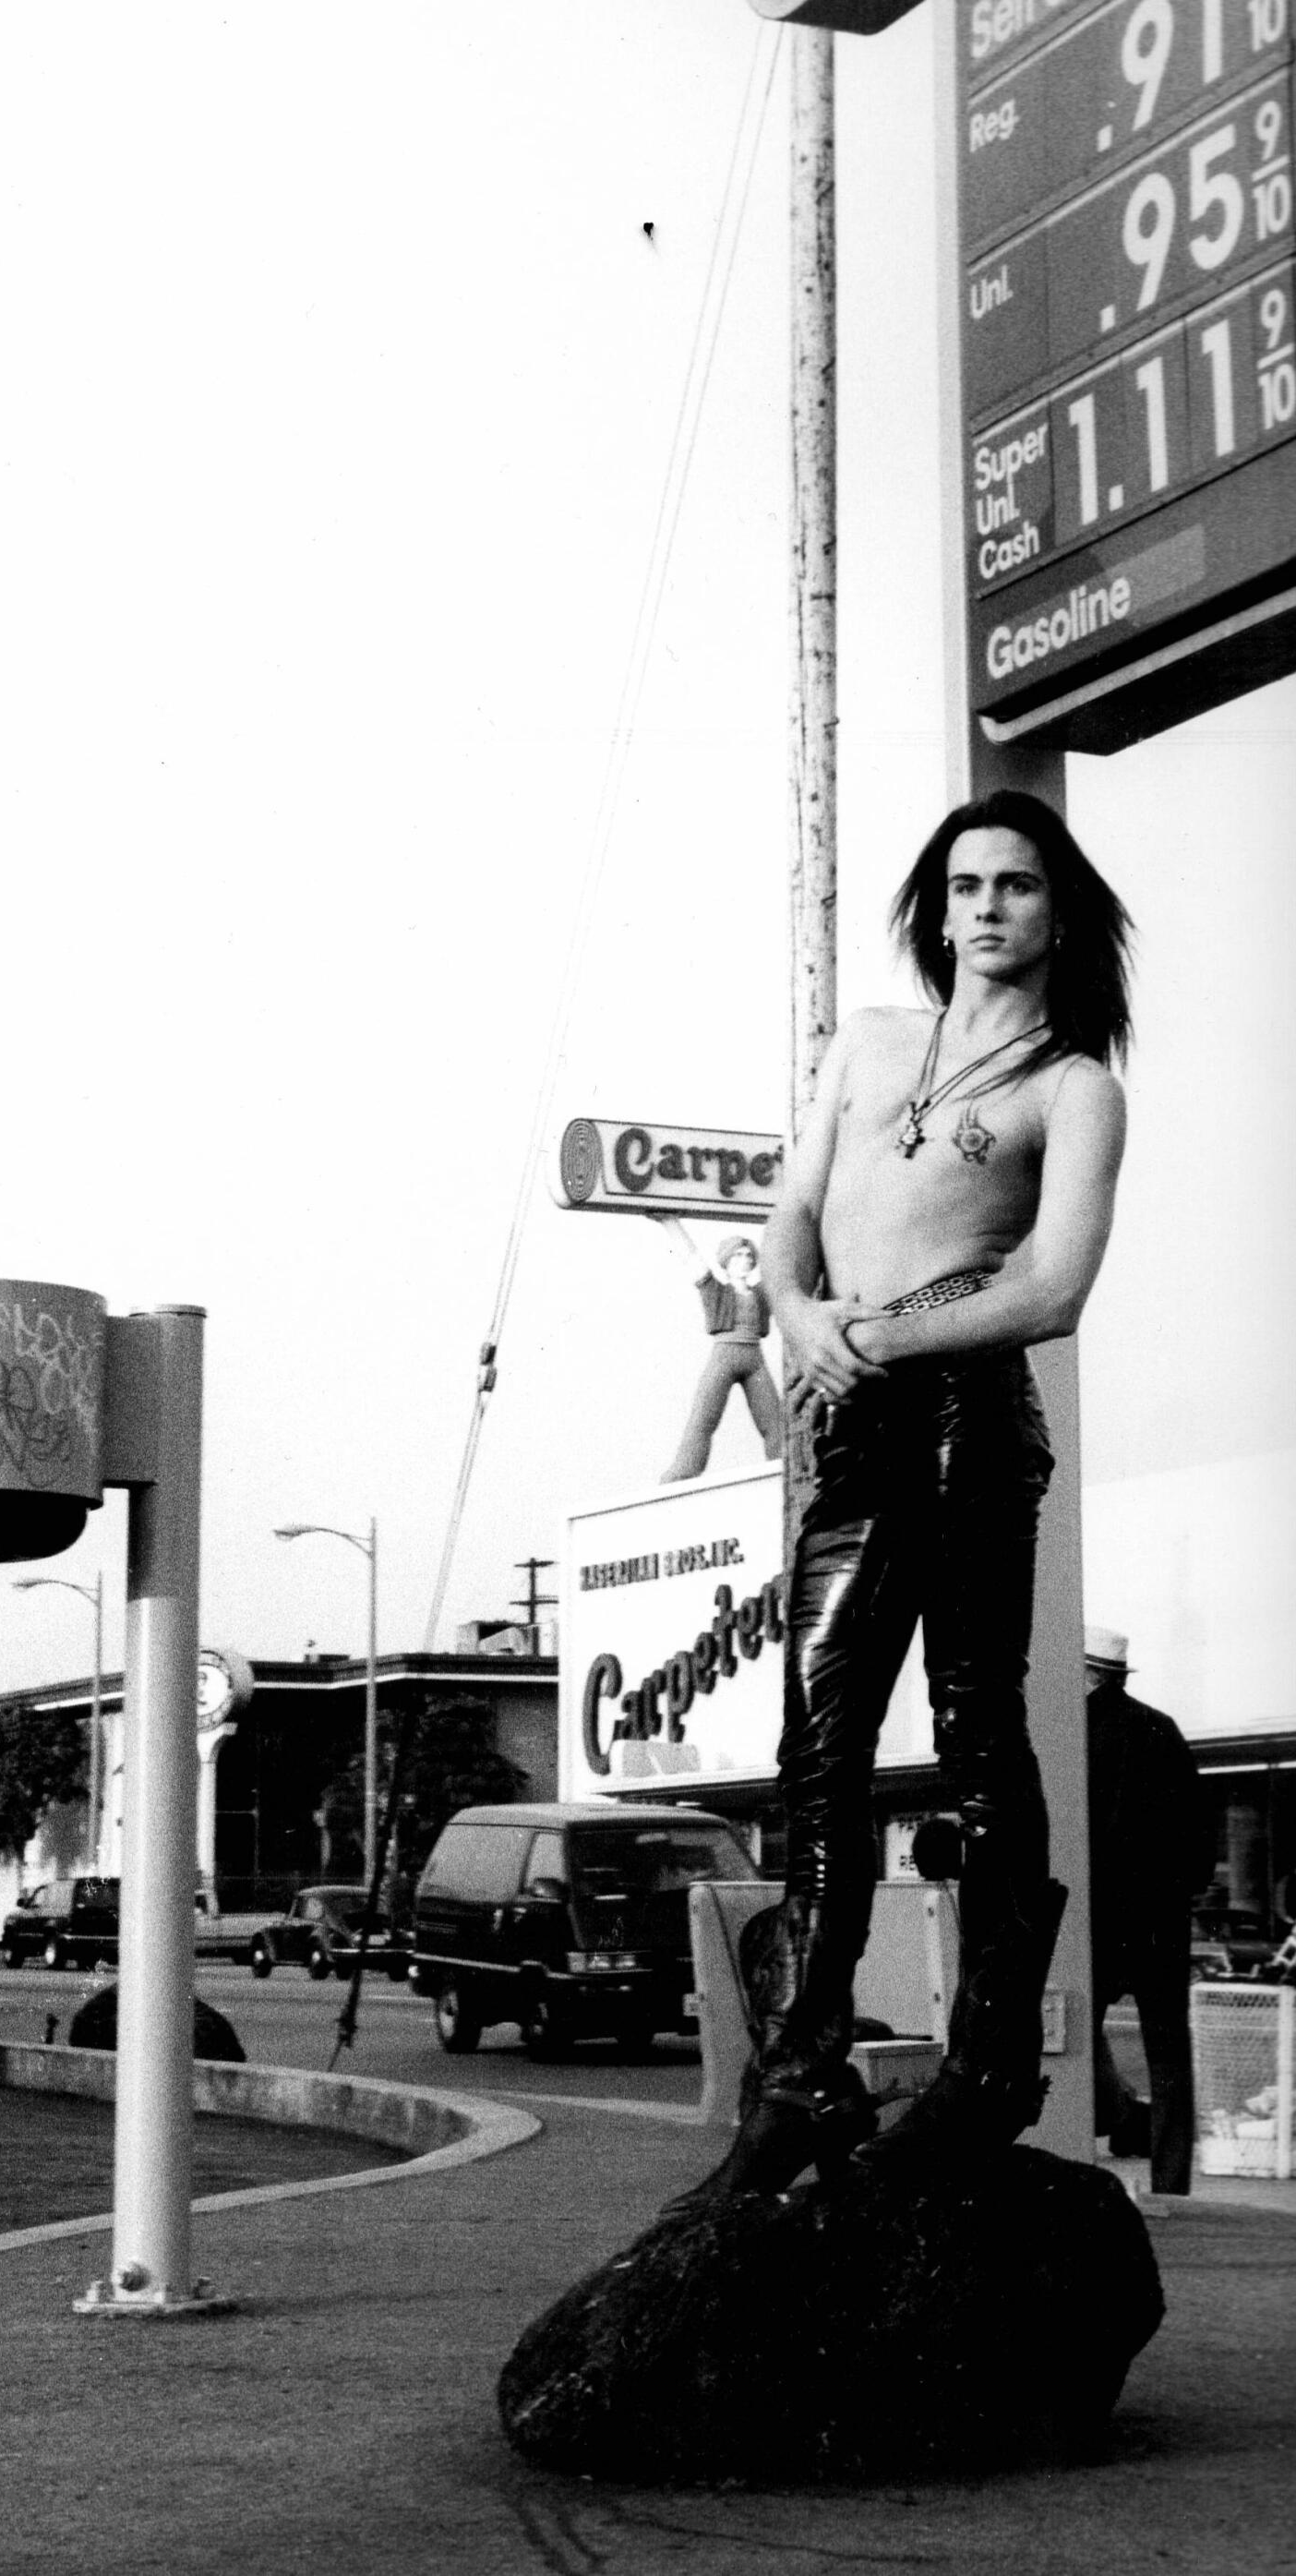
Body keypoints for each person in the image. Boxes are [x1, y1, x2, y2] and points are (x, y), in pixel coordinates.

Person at [695, 787, 1133, 2198]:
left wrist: (866, 1332)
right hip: (855, 1416)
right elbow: (793, 1204)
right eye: (963, 885)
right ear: (933, 909)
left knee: (975, 1724)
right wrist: (791, 1311)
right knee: (818, 1732)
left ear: (1059, 910)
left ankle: (993, 2050)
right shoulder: (872, 1043)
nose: (986, 907)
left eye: (1014, 883)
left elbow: (1051, 1290)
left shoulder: (1074, 1086)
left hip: (964, 1414)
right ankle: (802, 2064)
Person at [1084, 1626, 1203, 2195]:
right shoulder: (1163, 1729)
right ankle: (1171, 2183)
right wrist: (1177, 1895)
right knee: (1170, 2059)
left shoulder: (1072, 1736)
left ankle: (1080, 2173)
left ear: (1084, 1674)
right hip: (1161, 1925)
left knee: (1072, 2040)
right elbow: (1198, 1837)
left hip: (1099, 1921)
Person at [655, 1219, 784, 1482]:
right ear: (726, 1260)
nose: (745, 1260)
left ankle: (786, 1463)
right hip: (724, 1356)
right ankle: (684, 1470)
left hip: (754, 1359)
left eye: (749, 1255)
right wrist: (670, 1222)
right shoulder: (715, 1290)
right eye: (738, 1255)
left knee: (774, 1421)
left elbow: (783, 1265)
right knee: (703, 1418)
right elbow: (691, 1257)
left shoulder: (761, 1292)